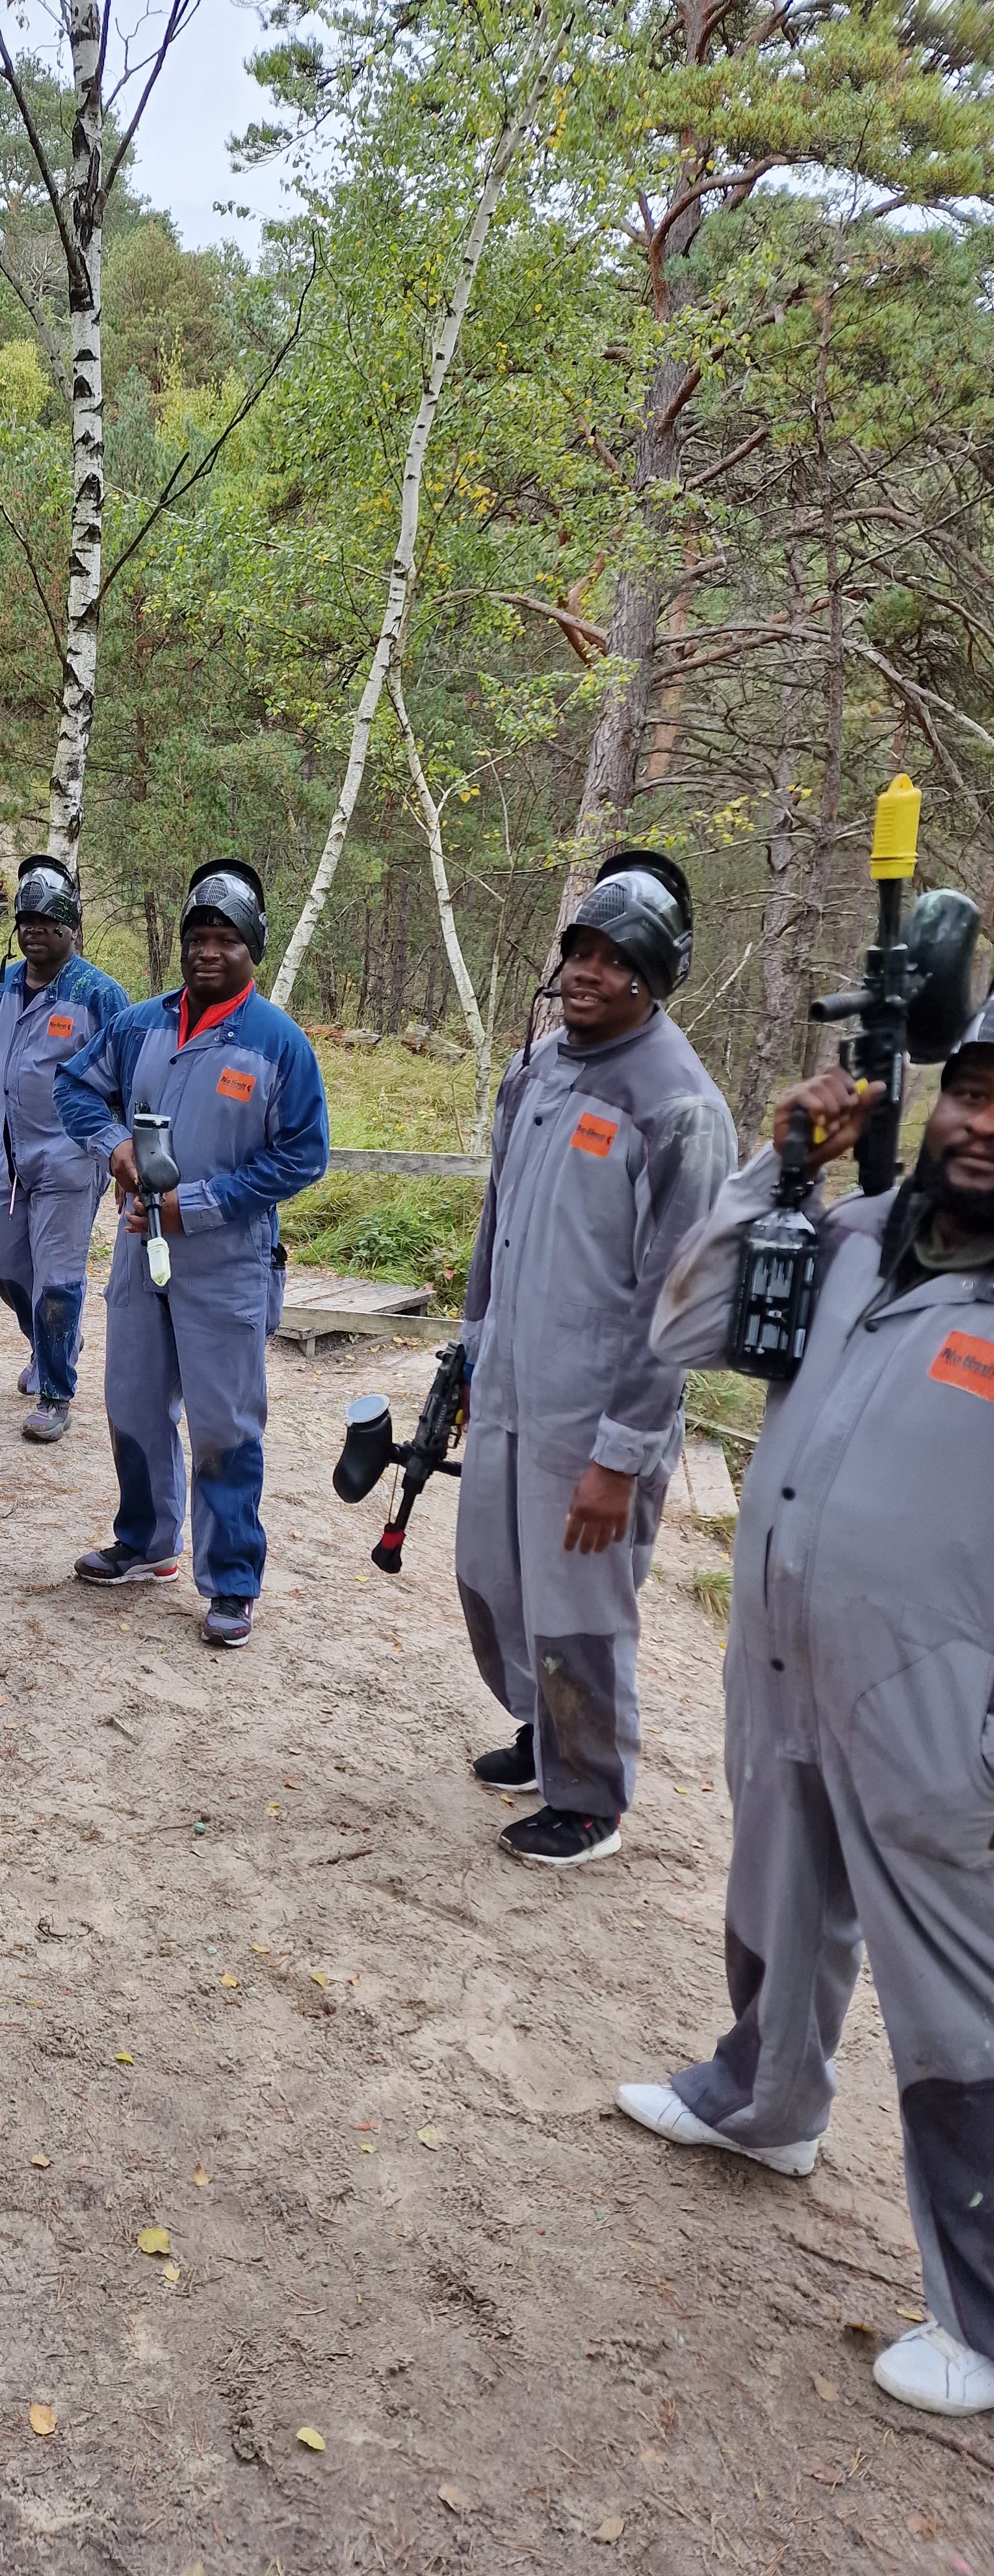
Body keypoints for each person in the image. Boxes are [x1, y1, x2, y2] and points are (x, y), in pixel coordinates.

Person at [619, 1003, 994, 2417]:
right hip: (785, 1658)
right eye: (974, 1091)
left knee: (957, 2001)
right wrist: (776, 1172)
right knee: (777, 1894)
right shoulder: (856, 1236)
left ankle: (983, 2312)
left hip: (940, 1712)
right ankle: (767, 2105)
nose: (985, 1126)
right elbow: (686, 1327)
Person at [454, 853, 735, 1868]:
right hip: (508, 1386)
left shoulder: (680, 1106)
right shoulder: (535, 1072)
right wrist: (472, 1352)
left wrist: (622, 1455)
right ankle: (547, 1731)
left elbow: (680, 1301)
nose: (588, 972)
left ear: (653, 978)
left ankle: (590, 1799)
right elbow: (497, 1227)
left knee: (579, 1609)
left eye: (617, 960)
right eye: (581, 949)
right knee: (492, 1577)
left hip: (596, 1416)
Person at [53, 858, 329, 1648]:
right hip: (139, 1252)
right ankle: (146, 1540)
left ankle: (233, 1581)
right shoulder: (140, 1024)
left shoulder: (279, 1044)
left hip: (228, 1264)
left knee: (223, 1425)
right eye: (197, 937)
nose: (208, 952)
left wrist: (196, 1204)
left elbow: (302, 1155)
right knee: (134, 1402)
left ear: (253, 948)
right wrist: (114, 1148)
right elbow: (75, 1087)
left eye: (226, 939)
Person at [0, 855, 129, 1442]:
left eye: (47, 921)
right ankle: (51, 1342)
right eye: (26, 921)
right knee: (6, 1269)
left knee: (57, 1279)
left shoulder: (99, 994)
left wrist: (122, 1156)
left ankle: (56, 1391)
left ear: (70, 925)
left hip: (71, 1158)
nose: (34, 931)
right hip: (10, 1156)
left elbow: (127, 1083)